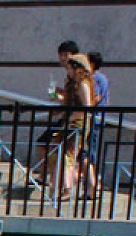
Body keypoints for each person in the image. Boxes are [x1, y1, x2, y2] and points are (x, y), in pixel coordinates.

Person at [42, 53, 93, 200]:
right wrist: (57, 98)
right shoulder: (73, 85)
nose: (68, 71)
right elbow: (68, 103)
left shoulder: (83, 84)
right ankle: (58, 186)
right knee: (56, 152)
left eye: (70, 68)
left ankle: (67, 188)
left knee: (68, 155)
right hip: (70, 121)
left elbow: (87, 107)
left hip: (78, 123)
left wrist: (72, 116)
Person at [80, 51, 109, 197]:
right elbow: (106, 99)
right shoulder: (103, 78)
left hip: (93, 119)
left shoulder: (93, 78)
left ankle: (93, 185)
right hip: (100, 118)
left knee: (88, 152)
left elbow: (95, 98)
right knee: (91, 150)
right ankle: (94, 184)